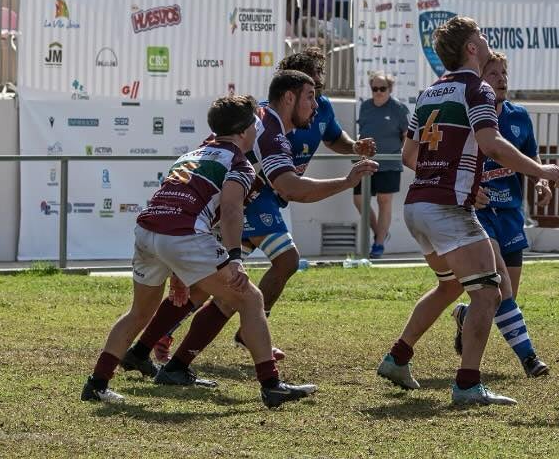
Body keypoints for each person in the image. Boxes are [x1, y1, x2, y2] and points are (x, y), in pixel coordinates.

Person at [137, 69, 376, 384]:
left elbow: (328, 142)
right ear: (289, 96)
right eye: (310, 94)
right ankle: (242, 358)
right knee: (242, 289)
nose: (316, 104)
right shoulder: (268, 129)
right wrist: (347, 181)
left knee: (210, 290)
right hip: (241, 205)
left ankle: (148, 352)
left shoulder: (270, 120)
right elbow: (291, 188)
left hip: (241, 202)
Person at [375, 16, 559, 405]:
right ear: (472, 49)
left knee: (450, 287)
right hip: (448, 210)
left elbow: (409, 155)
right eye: (481, 36)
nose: (485, 39)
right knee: (488, 293)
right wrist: (540, 169)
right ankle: (466, 384)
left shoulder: (429, 91)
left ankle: (398, 358)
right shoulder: (476, 88)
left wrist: (450, 176)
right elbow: (491, 142)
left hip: (417, 206)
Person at [80, 94, 317, 408]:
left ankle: (97, 383)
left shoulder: (192, 154)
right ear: (247, 131)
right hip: (183, 234)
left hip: (148, 231)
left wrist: (177, 268)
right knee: (251, 299)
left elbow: (176, 201)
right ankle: (272, 385)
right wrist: (234, 257)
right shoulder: (239, 164)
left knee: (139, 313)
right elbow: (232, 210)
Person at [447, 52, 553, 377]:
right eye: (493, 73)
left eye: (504, 72)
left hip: (511, 213)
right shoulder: (468, 117)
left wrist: (541, 181)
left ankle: (466, 315)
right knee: (501, 285)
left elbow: (531, 156)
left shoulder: (519, 116)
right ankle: (530, 359)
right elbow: (446, 161)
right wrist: (466, 189)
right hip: (479, 215)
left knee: (505, 297)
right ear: (480, 79)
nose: (502, 78)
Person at [354, 71, 409, 259]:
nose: (378, 92)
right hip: (366, 161)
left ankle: (378, 245)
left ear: (390, 89)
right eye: (374, 88)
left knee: (384, 201)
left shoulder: (399, 108)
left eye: (382, 88)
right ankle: (380, 233)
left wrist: (398, 153)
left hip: (390, 163)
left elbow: (406, 135)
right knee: (359, 199)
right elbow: (362, 132)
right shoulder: (366, 107)